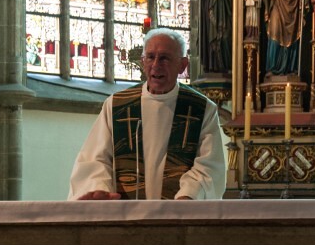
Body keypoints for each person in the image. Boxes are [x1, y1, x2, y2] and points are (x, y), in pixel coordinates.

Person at [68, 28, 226, 200]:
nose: (156, 65)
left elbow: (209, 165)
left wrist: (189, 195)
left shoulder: (201, 109)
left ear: (182, 65)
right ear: (143, 61)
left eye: (164, 58)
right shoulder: (117, 105)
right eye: (150, 57)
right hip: (124, 211)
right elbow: (95, 159)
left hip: (178, 212)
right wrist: (100, 189)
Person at [264, 0, 302, 75]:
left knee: (291, 35)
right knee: (275, 32)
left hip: (291, 3)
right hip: (277, 1)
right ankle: (272, 67)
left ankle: (290, 68)